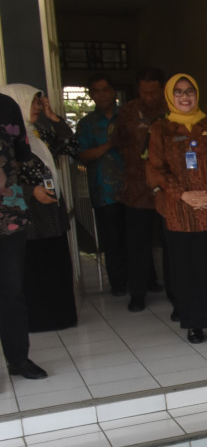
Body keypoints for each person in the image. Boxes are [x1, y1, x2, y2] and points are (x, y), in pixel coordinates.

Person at [146, 74, 207, 344]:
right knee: (188, 268)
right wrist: (183, 195)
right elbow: (157, 168)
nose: (185, 96)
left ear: (197, 94)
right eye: (178, 92)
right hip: (181, 212)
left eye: (189, 91)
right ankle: (194, 323)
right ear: (170, 97)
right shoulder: (161, 128)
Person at [0, 84, 77, 331]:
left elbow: (70, 147)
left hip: (51, 211)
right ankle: (37, 321)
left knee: (55, 265)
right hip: (27, 214)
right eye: (31, 102)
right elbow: (7, 181)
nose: (36, 107)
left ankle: (61, 317)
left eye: (37, 102)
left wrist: (53, 117)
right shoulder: (9, 137)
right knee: (33, 268)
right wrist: (31, 191)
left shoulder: (39, 133)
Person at [0, 92, 49, 380]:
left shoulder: (6, 106)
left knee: (12, 289)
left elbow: (22, 153)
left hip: (8, 213)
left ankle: (18, 359)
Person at [116, 67, 168, 312]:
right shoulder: (128, 111)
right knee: (137, 242)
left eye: (154, 92)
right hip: (137, 188)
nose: (149, 97)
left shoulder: (171, 110)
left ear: (162, 89)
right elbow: (120, 143)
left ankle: (175, 291)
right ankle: (138, 293)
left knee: (170, 241)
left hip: (167, 186)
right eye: (144, 92)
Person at [76, 74, 128, 296]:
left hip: (132, 189)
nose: (101, 94)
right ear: (92, 95)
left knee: (135, 237)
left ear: (113, 91)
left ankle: (144, 280)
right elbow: (82, 155)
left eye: (105, 89)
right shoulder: (87, 124)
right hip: (103, 192)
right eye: (96, 91)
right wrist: (109, 145)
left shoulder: (128, 117)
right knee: (111, 239)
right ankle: (118, 283)